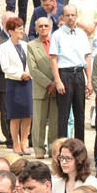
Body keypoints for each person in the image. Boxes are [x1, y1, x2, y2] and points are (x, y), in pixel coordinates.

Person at [49, 5, 93, 142]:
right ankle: (61, 145)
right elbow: (53, 58)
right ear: (62, 17)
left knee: (80, 113)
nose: (70, 18)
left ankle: (79, 145)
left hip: (79, 74)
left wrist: (89, 81)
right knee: (64, 114)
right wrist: (57, 81)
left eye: (73, 15)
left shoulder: (82, 34)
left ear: (76, 16)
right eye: (67, 15)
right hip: (65, 74)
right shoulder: (57, 35)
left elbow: (87, 57)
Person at [0, 16, 33, 156]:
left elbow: (31, 62)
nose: (22, 31)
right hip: (14, 83)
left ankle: (24, 141)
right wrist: (20, 74)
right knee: (16, 115)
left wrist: (28, 73)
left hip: (28, 82)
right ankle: (16, 143)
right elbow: (5, 67)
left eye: (22, 28)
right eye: (19, 29)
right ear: (11, 31)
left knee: (28, 114)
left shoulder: (25, 45)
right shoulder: (4, 47)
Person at [27, 17, 59, 159]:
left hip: (57, 87)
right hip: (41, 88)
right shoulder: (31, 45)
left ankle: (53, 148)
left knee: (55, 121)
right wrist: (48, 84)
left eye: (46, 25)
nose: (43, 28)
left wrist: (56, 82)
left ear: (50, 27)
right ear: (36, 28)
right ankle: (39, 149)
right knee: (39, 121)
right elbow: (33, 69)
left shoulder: (56, 42)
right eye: (40, 26)